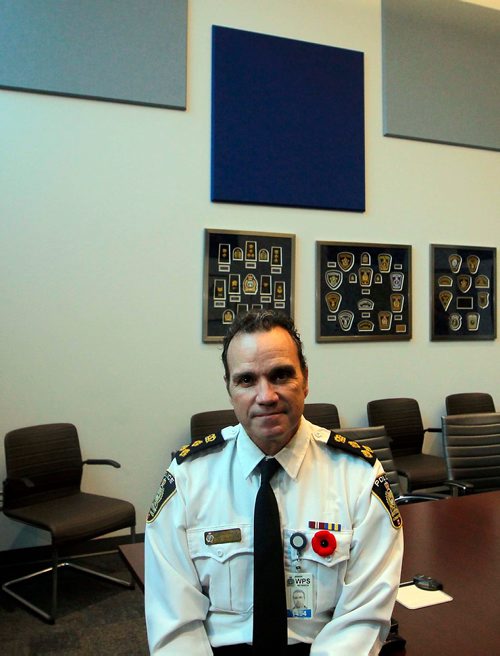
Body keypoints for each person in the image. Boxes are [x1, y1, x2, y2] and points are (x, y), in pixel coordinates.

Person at [145, 309, 403, 654]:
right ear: (230, 389)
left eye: (281, 375)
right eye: (247, 380)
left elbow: (362, 617)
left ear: (306, 380)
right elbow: (174, 624)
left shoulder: (357, 476)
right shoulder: (188, 478)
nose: (266, 396)